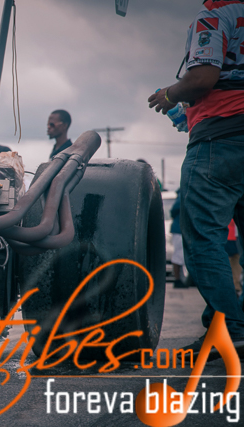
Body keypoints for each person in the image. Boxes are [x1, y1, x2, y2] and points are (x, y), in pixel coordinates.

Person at [148, 0, 244, 358]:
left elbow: (203, 78)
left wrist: (169, 94)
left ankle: (229, 329)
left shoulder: (216, 13)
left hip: (221, 137)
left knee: (203, 237)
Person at [170, 191, 187, 289]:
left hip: (181, 229)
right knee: (178, 255)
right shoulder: (183, 194)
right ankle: (177, 279)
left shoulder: (183, 193)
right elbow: (174, 209)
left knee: (180, 255)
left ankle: (180, 279)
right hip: (179, 229)